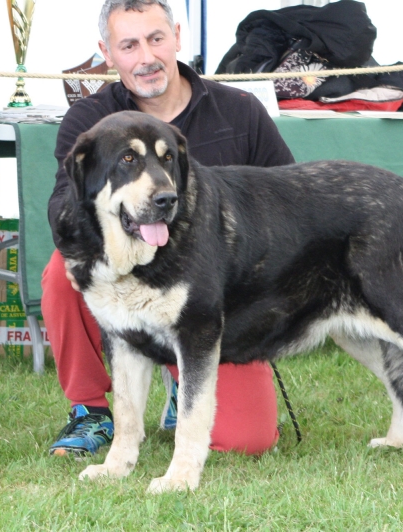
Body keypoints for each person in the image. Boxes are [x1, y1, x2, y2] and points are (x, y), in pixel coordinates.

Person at [43, 0, 295, 457]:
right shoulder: (90, 122)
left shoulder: (239, 110)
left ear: (178, 36)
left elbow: (284, 204)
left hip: (216, 298)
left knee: (247, 441)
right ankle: (90, 410)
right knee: (60, 275)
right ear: (107, 51)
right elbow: (65, 206)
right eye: (129, 44)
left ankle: (182, 383)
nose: (146, 57)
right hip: (125, 284)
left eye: (156, 39)